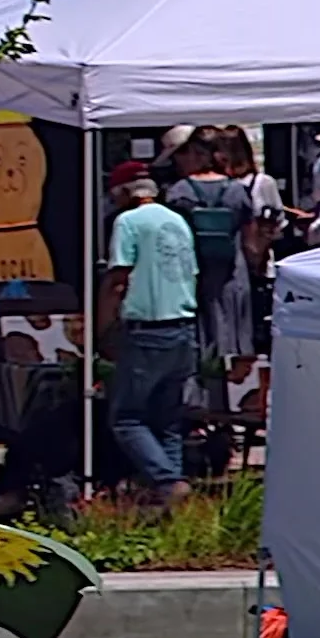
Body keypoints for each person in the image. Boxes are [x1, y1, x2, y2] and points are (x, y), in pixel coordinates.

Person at [99, 176, 197, 503]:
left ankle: (167, 481)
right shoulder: (178, 222)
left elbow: (118, 278)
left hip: (147, 328)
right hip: (183, 326)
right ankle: (171, 494)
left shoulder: (127, 222)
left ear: (126, 194)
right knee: (167, 420)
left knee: (127, 418)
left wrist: (103, 325)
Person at [165, 131, 262, 371]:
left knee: (202, 330)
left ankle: (201, 391)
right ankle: (235, 392)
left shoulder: (179, 192)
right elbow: (251, 240)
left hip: (195, 272)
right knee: (235, 329)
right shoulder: (238, 190)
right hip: (233, 270)